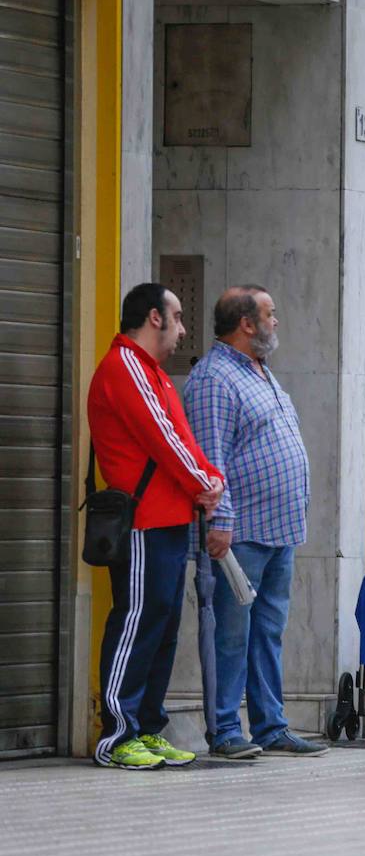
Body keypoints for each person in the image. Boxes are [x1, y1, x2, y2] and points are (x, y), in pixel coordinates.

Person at [88, 283, 224, 769]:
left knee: (163, 625)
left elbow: (181, 435)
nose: (184, 328)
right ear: (153, 318)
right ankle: (117, 734)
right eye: (179, 317)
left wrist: (208, 479)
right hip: (142, 520)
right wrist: (204, 481)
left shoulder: (156, 375)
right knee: (137, 621)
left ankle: (147, 727)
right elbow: (162, 438)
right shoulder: (125, 365)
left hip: (169, 518)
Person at [184, 285, 323, 759]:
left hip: (278, 529)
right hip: (237, 534)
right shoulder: (214, 378)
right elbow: (210, 457)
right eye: (270, 313)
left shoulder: (260, 373)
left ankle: (270, 725)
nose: (276, 321)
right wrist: (219, 521)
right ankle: (225, 730)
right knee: (230, 633)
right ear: (246, 323)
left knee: (267, 632)